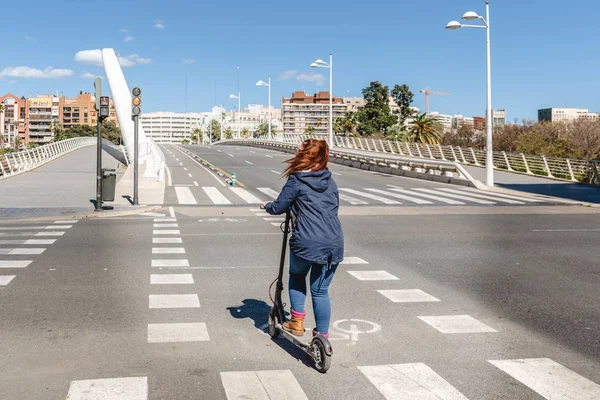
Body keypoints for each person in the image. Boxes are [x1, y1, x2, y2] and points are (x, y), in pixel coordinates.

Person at [262, 139, 344, 338]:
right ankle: (322, 338)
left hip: (307, 240)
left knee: (297, 276)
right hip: (334, 242)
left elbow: (279, 206)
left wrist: (267, 206)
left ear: (303, 156)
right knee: (320, 291)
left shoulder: (297, 180)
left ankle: (297, 321)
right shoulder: (330, 181)